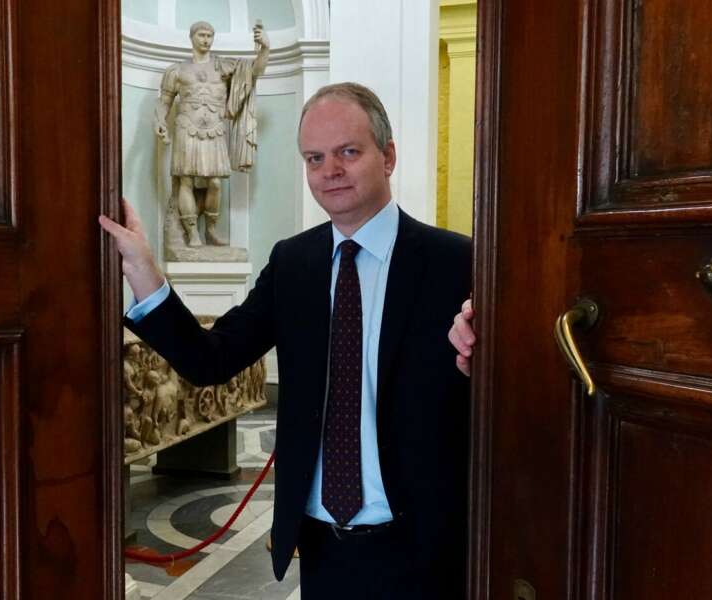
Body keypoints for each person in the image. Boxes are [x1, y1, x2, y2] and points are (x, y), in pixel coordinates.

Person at [101, 82, 472, 598]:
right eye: (314, 157)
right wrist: (143, 268)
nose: (330, 171)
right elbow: (211, 359)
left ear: (387, 157)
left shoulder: (459, 263)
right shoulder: (294, 263)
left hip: (426, 547)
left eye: (348, 152)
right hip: (322, 547)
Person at [154, 20, 269, 247]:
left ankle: (211, 230)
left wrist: (264, 48)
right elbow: (164, 101)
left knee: (215, 183)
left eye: (209, 35)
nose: (206, 40)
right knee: (185, 181)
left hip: (214, 130)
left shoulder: (223, 67)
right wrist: (159, 120)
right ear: (192, 37)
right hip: (187, 128)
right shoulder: (177, 71)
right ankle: (192, 232)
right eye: (201, 35)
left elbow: (254, 72)